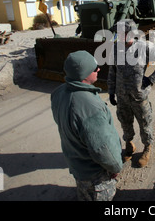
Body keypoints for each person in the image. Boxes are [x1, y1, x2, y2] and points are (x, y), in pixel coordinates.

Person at [51, 50, 123, 201]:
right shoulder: (89, 107)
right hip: (96, 176)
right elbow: (103, 148)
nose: (99, 69)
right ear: (84, 74)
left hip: (78, 166)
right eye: (94, 68)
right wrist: (115, 166)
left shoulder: (58, 93)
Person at [108, 19, 155, 168]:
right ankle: (129, 144)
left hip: (139, 96)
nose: (122, 36)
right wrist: (111, 91)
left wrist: (151, 79)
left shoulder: (144, 47)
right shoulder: (115, 49)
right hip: (122, 96)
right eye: (119, 33)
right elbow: (112, 71)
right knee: (125, 122)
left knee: (144, 123)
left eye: (125, 33)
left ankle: (147, 148)